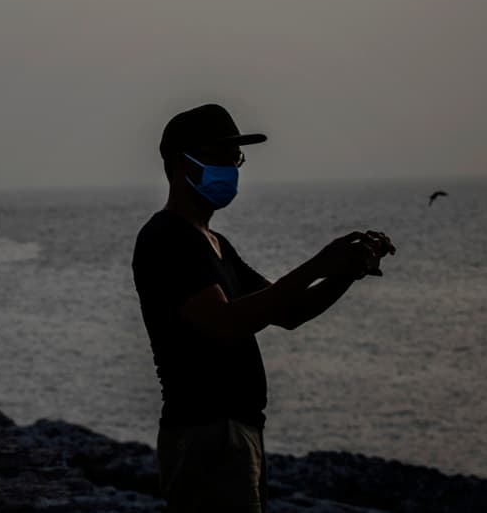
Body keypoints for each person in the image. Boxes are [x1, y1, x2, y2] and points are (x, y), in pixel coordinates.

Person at [132, 104, 395, 513]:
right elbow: (225, 323)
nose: (230, 169)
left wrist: (347, 271)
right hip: (206, 435)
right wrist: (321, 263)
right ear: (179, 166)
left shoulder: (216, 244)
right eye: (217, 156)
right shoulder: (165, 238)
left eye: (234, 158)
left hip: (238, 434)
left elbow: (290, 311)